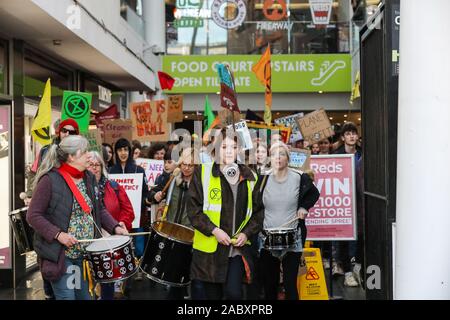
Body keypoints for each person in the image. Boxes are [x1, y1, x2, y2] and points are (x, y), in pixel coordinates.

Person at [26, 135, 128, 300]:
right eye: (84, 152)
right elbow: (33, 215)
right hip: (61, 256)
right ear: (71, 157)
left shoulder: (88, 177)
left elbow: (98, 209)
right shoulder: (50, 180)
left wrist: (115, 227)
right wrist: (59, 235)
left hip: (84, 254)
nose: (89, 155)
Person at [187, 128, 263, 300]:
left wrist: (247, 233)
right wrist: (214, 230)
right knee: (212, 296)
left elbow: (258, 213)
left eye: (233, 147)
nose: (228, 151)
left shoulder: (251, 177)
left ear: (239, 149)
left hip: (237, 247)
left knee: (234, 294)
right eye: (224, 147)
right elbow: (193, 210)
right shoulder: (203, 172)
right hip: (210, 251)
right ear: (215, 149)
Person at [24, 118, 80, 300]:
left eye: (72, 132)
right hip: (50, 224)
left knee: (75, 290)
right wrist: (32, 195)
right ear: (59, 132)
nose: (67, 135)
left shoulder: (82, 165)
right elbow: (35, 174)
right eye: (65, 131)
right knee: (53, 282)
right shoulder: (47, 152)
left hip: (74, 246)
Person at [258, 142, 319, 300]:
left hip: (293, 238)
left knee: (290, 284)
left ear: (288, 158)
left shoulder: (300, 177)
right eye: (274, 154)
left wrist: (304, 207)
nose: (278, 158)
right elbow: (253, 204)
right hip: (267, 239)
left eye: (282, 154)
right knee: (269, 285)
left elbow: (314, 194)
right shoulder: (262, 179)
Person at [87, 151, 135, 300]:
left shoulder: (114, 186)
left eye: (97, 165)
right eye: (91, 165)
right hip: (89, 239)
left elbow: (128, 210)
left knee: (107, 280)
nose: (95, 168)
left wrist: (121, 224)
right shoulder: (82, 188)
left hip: (111, 240)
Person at [109, 138, 149, 282]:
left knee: (138, 246)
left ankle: (137, 269)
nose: (123, 153)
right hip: (117, 217)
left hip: (136, 215)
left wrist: (146, 200)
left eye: (126, 149)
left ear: (130, 151)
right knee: (119, 245)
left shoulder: (139, 170)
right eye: (120, 150)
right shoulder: (110, 171)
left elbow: (145, 192)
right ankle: (121, 273)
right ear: (116, 152)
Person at [332, 122, 362, 287]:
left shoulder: (363, 154)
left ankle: (355, 268)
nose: (351, 136)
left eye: (354, 133)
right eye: (348, 134)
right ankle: (346, 271)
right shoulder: (335, 155)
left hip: (360, 202)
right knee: (344, 238)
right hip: (342, 202)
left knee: (358, 238)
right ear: (343, 137)